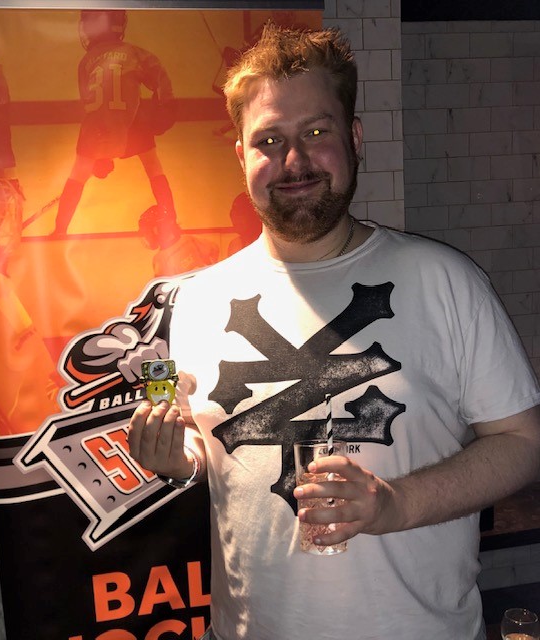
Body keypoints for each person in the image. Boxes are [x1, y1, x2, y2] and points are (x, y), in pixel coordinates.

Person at [127, 23, 540, 640]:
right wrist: (176, 460)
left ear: (355, 138)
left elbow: (524, 442)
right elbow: (210, 451)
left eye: (316, 132)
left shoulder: (445, 280)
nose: (293, 160)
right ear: (241, 156)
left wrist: (395, 504)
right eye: (269, 140)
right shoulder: (198, 300)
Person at [52, 9, 176, 236]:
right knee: (153, 168)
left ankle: (60, 230)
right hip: (132, 126)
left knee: (77, 176)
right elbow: (159, 77)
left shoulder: (86, 61)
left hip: (96, 131)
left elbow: (92, 105)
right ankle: (171, 221)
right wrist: (165, 108)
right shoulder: (134, 53)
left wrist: (101, 156)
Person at [138, 204, 219, 276]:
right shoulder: (190, 239)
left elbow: (161, 285)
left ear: (158, 228)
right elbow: (214, 248)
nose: (147, 237)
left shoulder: (160, 259)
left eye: (148, 232)